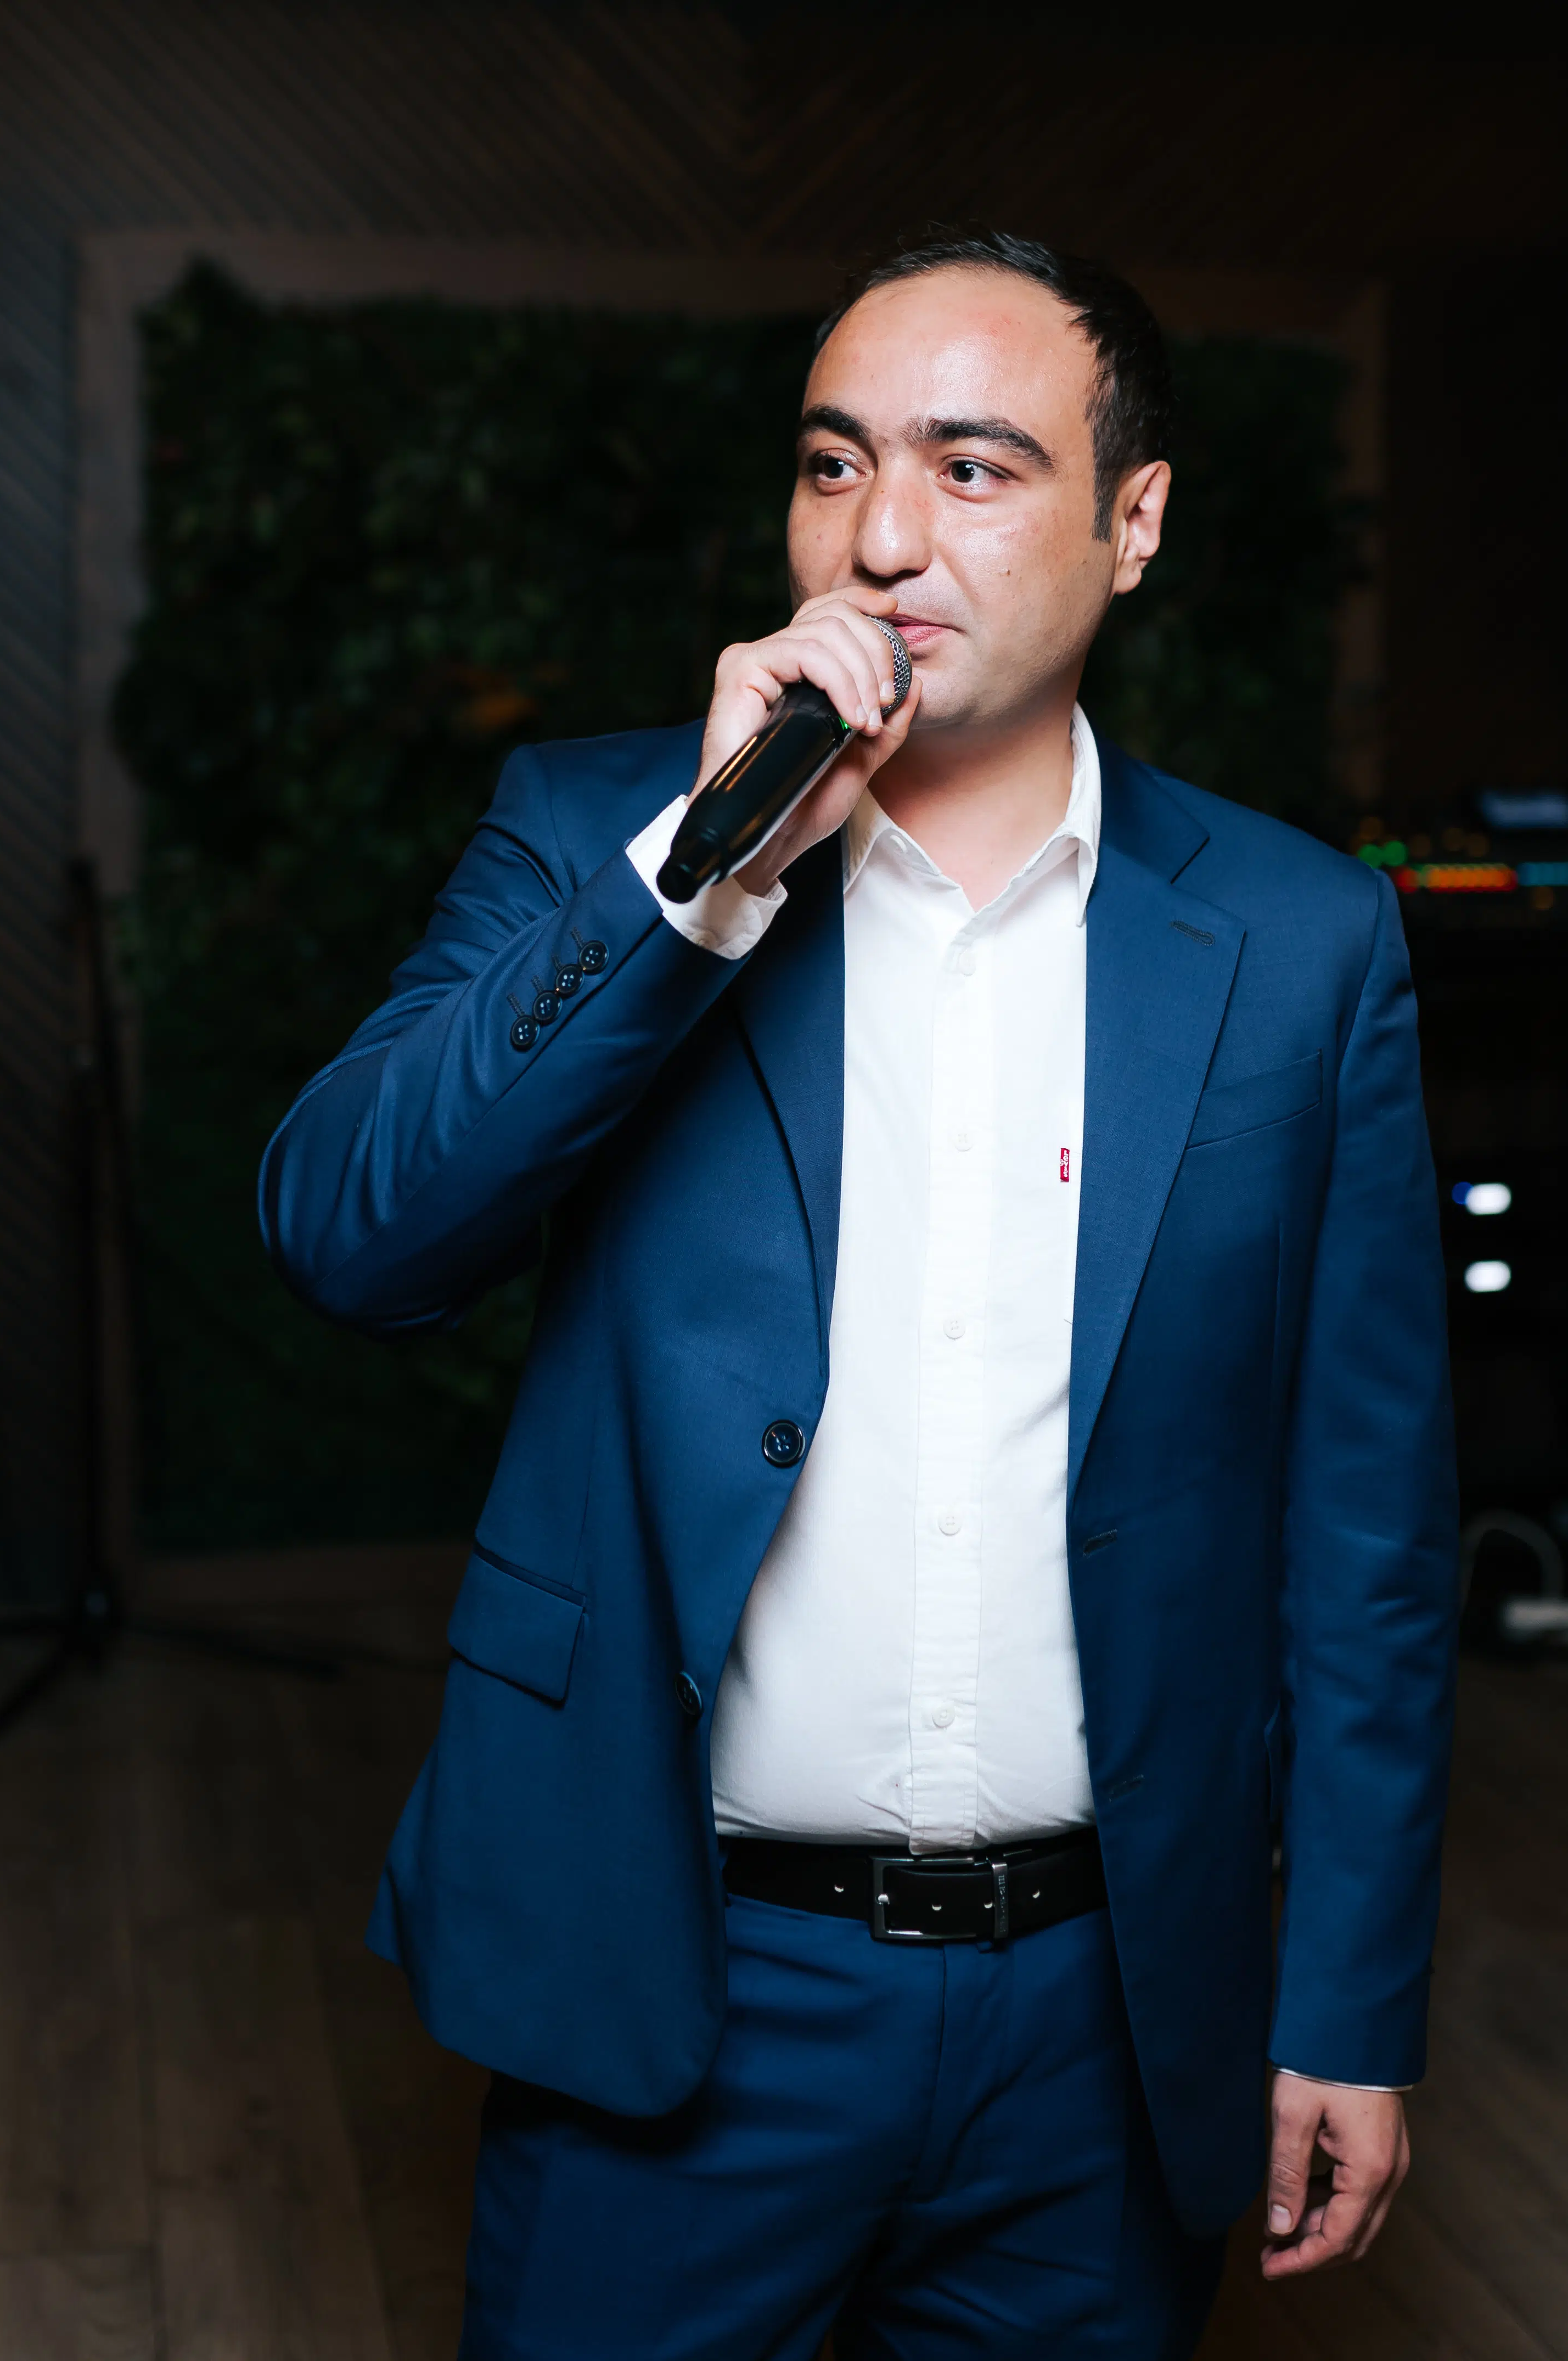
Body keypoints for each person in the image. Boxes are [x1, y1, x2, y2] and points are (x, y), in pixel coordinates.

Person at [260, 231, 1458, 2359]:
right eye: (835, 465)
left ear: (1133, 522)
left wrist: (1349, 1998)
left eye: (971, 468)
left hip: (1102, 2017)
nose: (884, 536)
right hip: (684, 1981)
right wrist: (701, 875)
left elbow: (1362, 1532)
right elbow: (352, 1233)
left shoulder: (1301, 942)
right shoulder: (602, 836)